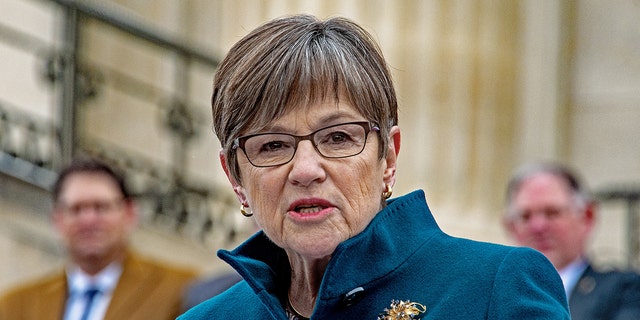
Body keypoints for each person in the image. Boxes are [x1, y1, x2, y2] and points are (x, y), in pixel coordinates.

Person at [179, 14, 569, 319]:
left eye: (337, 138)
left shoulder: (495, 286)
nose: (306, 169)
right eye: (273, 145)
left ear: (389, 157)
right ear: (235, 177)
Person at [0, 156, 197, 320]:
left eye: (101, 207)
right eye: (76, 209)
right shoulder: (15, 306)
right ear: (57, 219)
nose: (89, 220)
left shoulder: (180, 289)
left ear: (130, 213)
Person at [503, 161, 640, 320]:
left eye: (552, 213)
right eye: (526, 216)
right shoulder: (496, 296)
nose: (538, 227)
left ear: (586, 217)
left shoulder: (624, 291)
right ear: (511, 227)